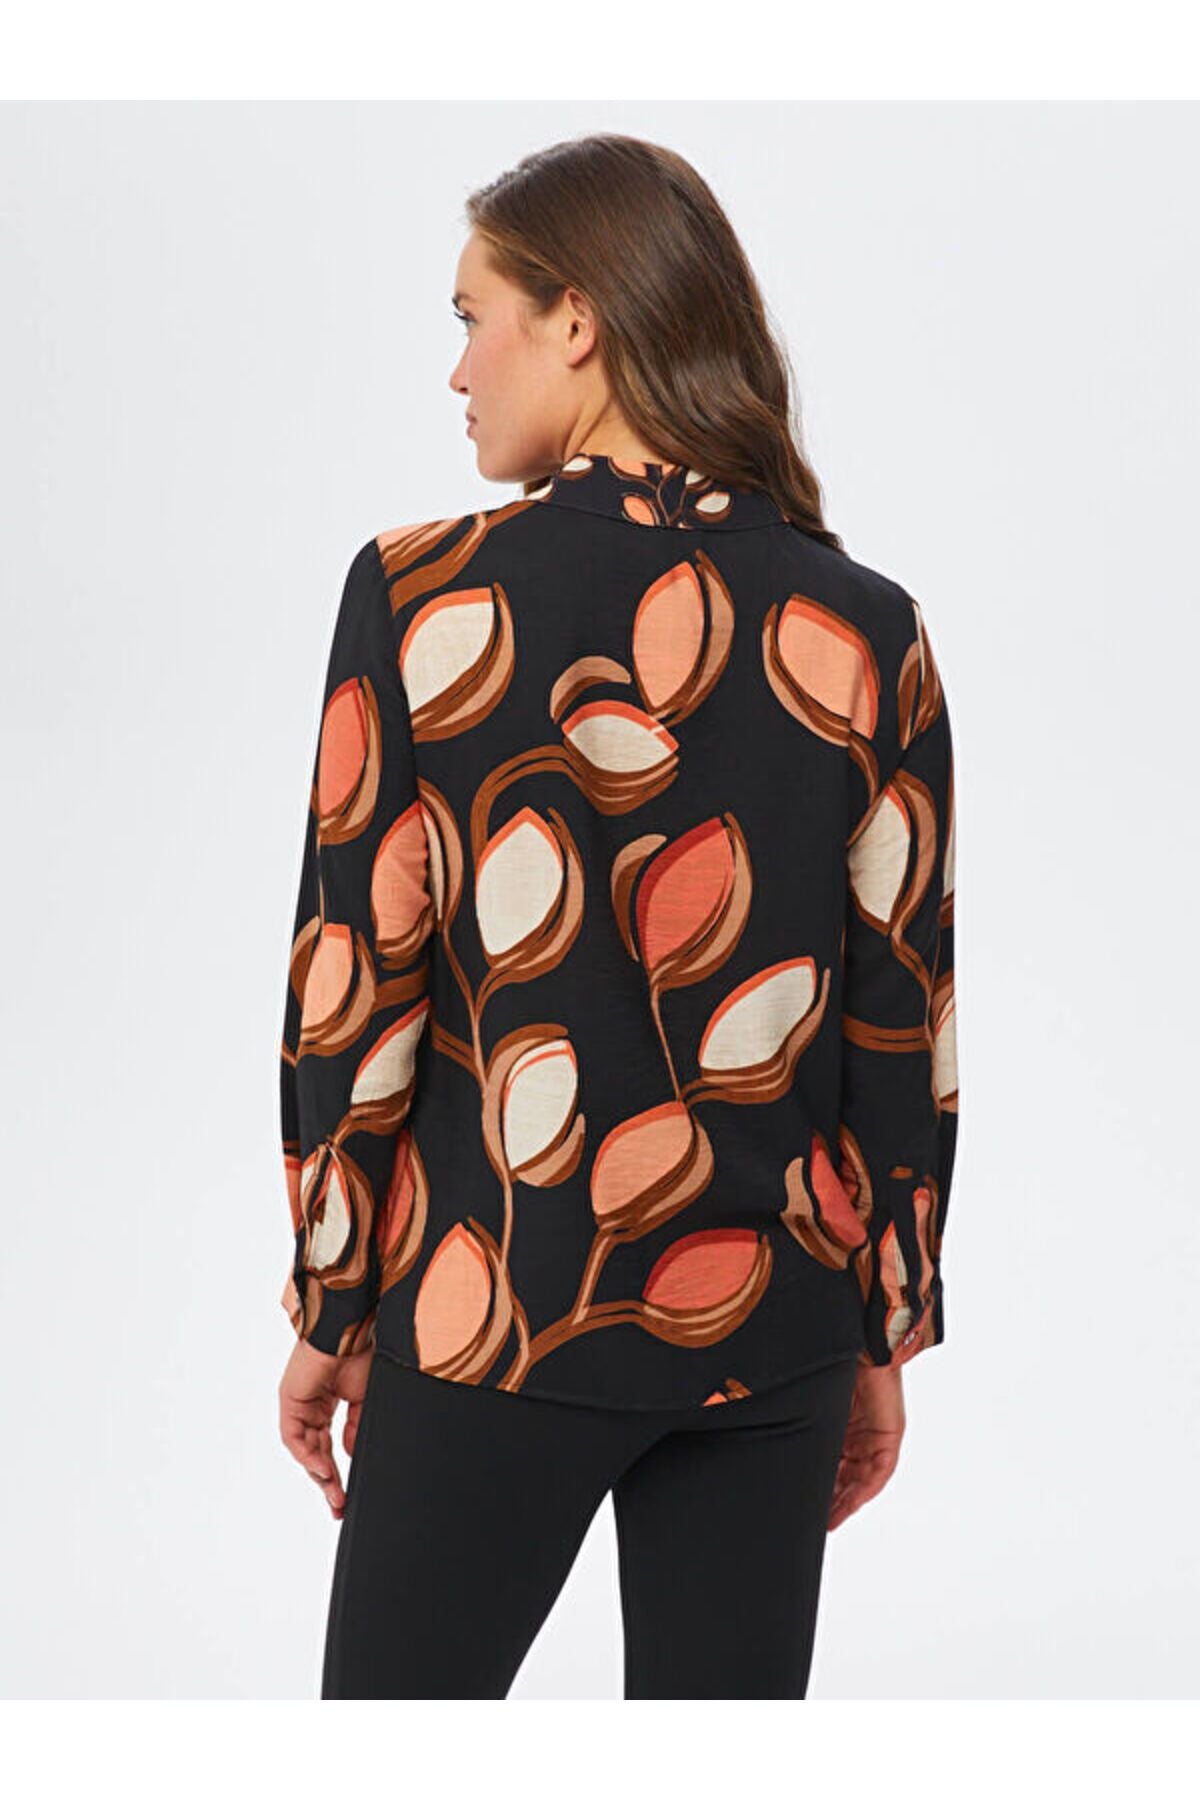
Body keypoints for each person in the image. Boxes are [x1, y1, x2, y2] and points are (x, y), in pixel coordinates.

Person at [275, 132, 959, 1700]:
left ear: (576, 319)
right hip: (773, 1331)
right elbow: (897, 1020)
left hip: (493, 1306)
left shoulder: (423, 598)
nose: (459, 370)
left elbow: (355, 991)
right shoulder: (867, 630)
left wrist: (332, 1298)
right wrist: (880, 1329)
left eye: (474, 317)